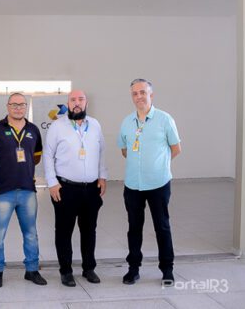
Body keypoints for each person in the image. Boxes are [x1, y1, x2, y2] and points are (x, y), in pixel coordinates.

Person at [118, 79, 181, 286]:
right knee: (134, 228)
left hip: (158, 184)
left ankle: (167, 269)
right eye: (135, 93)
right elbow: (125, 150)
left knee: (162, 227)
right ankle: (133, 269)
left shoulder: (165, 119)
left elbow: (176, 148)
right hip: (133, 185)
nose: (139, 96)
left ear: (151, 95)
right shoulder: (127, 122)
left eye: (143, 92)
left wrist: (158, 165)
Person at [0, 92, 47, 288]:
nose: (18, 108)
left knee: (31, 233)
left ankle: (32, 270)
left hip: (28, 191)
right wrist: (0, 167)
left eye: (21, 105)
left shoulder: (33, 129)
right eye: (14, 104)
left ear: (26, 107)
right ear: (8, 106)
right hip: (2, 191)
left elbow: (36, 156)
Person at [44, 90, 107, 287]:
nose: (77, 103)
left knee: (89, 230)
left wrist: (102, 176)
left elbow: (102, 151)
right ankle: (66, 271)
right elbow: (48, 155)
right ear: (68, 103)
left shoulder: (95, 125)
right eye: (73, 100)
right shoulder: (57, 126)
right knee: (64, 231)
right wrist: (52, 182)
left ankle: (89, 268)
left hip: (91, 189)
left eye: (80, 99)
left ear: (86, 103)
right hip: (66, 188)